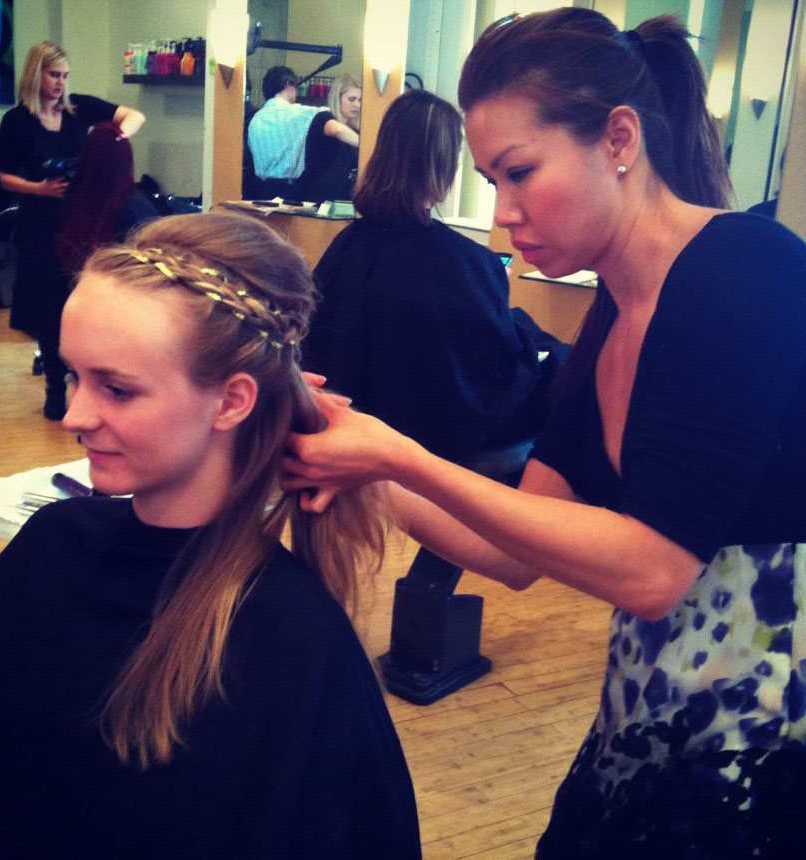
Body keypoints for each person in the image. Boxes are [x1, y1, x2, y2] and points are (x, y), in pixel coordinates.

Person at [283, 9, 806, 857]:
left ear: (619, 140)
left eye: (520, 172)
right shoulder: (613, 315)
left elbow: (651, 570)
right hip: (648, 718)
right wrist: (356, 464)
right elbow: (514, 550)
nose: (504, 214)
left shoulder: (745, 266)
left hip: (765, 750)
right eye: (491, 181)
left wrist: (397, 453)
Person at [0, 212, 421, 858]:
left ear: (232, 401)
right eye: (74, 376)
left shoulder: (294, 641)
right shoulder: (52, 543)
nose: (74, 416)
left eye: (117, 389)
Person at [303, 89, 556, 463]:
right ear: (444, 166)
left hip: (347, 433)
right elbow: (491, 378)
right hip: (434, 449)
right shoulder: (469, 264)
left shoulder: (342, 251)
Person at [0, 41, 145, 421]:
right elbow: (4, 176)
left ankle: (83, 385)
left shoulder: (79, 109)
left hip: (80, 219)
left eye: (65, 75)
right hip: (40, 222)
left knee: (79, 305)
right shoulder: (16, 121)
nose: (61, 83)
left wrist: (116, 141)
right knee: (49, 309)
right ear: (36, 74)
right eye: (53, 75)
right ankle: (54, 389)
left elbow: (134, 116)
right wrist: (40, 188)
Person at [56, 122, 161, 272]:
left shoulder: (70, 199)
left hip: (82, 278)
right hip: (124, 281)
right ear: (125, 160)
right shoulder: (134, 206)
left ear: (86, 157)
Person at [247, 65, 319, 199]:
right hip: (291, 191)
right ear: (288, 84)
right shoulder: (297, 113)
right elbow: (329, 117)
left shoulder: (255, 120)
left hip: (262, 191)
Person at [297, 74, 362, 203]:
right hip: (315, 197)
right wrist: (367, 145)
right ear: (337, 98)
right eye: (351, 99)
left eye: (360, 100)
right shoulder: (323, 118)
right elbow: (337, 130)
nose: (357, 105)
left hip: (343, 200)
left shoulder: (356, 130)